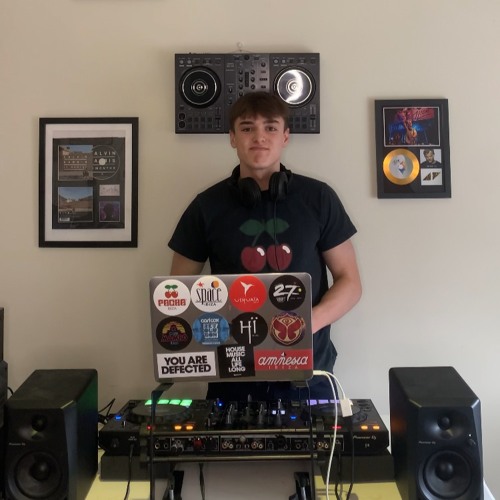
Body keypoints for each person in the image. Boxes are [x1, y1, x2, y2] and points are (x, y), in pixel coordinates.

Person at [168, 91, 362, 401]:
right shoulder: (206, 206)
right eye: (247, 128)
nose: (259, 137)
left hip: (309, 373)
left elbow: (350, 282)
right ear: (233, 138)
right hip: (233, 374)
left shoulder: (319, 198)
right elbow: (176, 292)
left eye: (270, 127)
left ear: (285, 136)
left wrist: (305, 325)